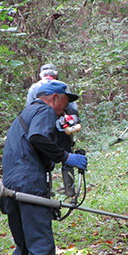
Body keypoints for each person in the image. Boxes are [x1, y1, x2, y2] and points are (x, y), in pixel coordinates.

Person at [0, 81, 88, 255]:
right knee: (40, 238)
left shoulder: (24, 115)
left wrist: (62, 137)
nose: (65, 109)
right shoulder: (44, 110)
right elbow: (38, 138)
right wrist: (67, 158)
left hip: (8, 184)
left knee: (23, 241)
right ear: (54, 98)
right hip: (30, 182)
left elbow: (35, 142)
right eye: (65, 103)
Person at [27, 63, 79, 197]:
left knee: (44, 158)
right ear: (55, 74)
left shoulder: (34, 88)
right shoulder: (62, 85)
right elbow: (72, 110)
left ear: (41, 75)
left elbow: (29, 110)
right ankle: (70, 190)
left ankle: (47, 191)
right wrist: (74, 122)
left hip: (42, 129)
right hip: (63, 128)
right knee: (67, 157)